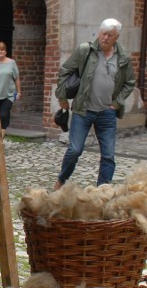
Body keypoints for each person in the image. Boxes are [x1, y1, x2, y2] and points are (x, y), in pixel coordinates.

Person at [54, 18, 135, 189]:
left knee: (108, 155)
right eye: (103, 33)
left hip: (107, 112)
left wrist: (117, 103)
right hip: (83, 110)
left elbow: (129, 83)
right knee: (75, 150)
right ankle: (62, 179)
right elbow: (65, 71)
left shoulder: (123, 58)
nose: (105, 38)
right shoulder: (86, 51)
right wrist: (62, 98)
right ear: (99, 33)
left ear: (116, 37)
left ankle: (102, 191)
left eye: (110, 35)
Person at [0, 41, 20, 129]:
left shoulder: (11, 63)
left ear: (5, 51)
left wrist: (19, 92)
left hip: (9, 94)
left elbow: (16, 78)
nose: (0, 51)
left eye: (2, 49)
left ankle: (2, 137)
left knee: (3, 115)